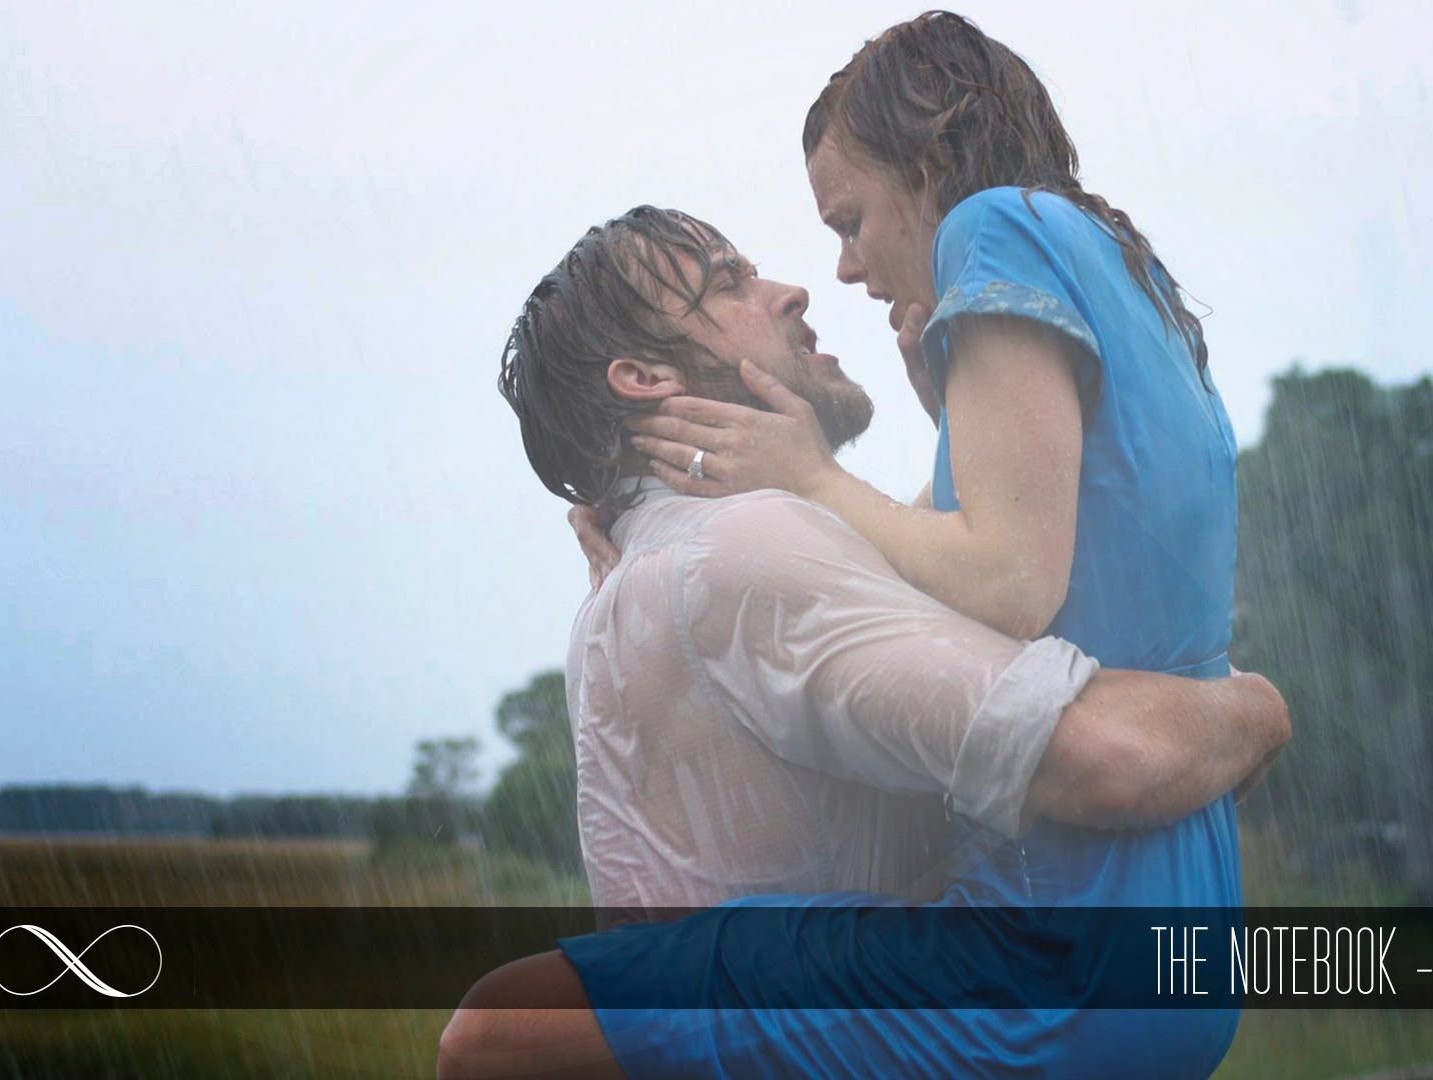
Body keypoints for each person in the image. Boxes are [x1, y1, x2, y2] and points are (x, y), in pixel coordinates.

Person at [438, 205, 1286, 1078]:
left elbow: (887, 589)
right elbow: (1109, 760)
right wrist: (1253, 706)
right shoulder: (738, 552)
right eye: (728, 285)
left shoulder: (641, 577)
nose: (792, 291)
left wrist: (976, 441)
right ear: (646, 378)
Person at [594, 9, 1255, 1075]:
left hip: (1062, 934)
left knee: (565, 1009)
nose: (847, 268)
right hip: (1189, 907)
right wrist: (951, 428)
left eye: (851, 220)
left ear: (932, 163)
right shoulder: (1127, 272)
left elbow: (1010, 585)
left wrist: (815, 479)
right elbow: (1104, 550)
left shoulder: (994, 227)